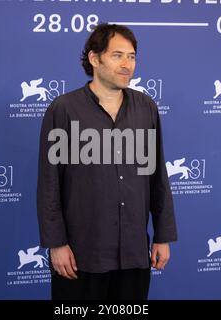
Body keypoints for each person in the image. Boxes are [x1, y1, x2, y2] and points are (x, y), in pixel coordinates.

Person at [37, 23, 177, 300]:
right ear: (94, 58)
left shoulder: (146, 107)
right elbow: (49, 182)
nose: (127, 64)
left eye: (132, 56)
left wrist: (162, 235)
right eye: (117, 55)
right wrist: (56, 244)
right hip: (81, 255)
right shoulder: (64, 109)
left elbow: (157, 176)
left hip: (134, 254)